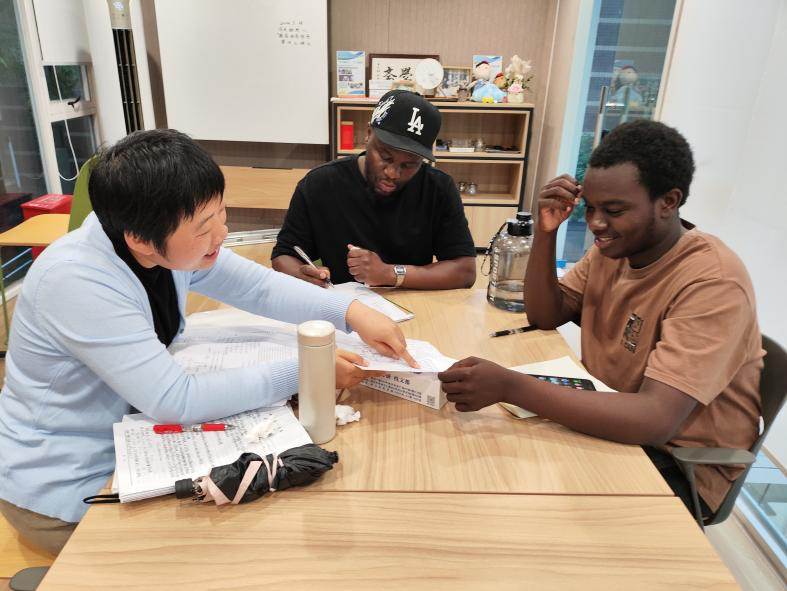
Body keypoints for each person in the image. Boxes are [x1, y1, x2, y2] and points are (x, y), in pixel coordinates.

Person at [0, 129, 415, 554]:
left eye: (221, 212)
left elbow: (257, 287)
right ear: (140, 238)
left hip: (134, 444)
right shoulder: (76, 280)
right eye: (204, 226)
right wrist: (307, 370)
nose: (222, 232)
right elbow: (175, 399)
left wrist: (351, 311)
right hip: (71, 487)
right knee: (249, 545)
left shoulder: (151, 240)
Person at [438, 120, 763, 518]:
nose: (595, 224)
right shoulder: (617, 249)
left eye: (614, 210)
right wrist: (546, 232)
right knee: (483, 473)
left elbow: (655, 419)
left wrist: (510, 386)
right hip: (614, 421)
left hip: (675, 465)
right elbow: (545, 314)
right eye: (590, 208)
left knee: (520, 508)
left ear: (668, 201)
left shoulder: (713, 282)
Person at [272, 90, 476, 289]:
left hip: (412, 303)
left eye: (409, 164)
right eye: (386, 157)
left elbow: (464, 271)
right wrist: (303, 275)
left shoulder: (438, 189)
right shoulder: (320, 184)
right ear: (368, 134)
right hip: (340, 303)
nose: (393, 173)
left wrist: (390, 274)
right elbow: (284, 255)